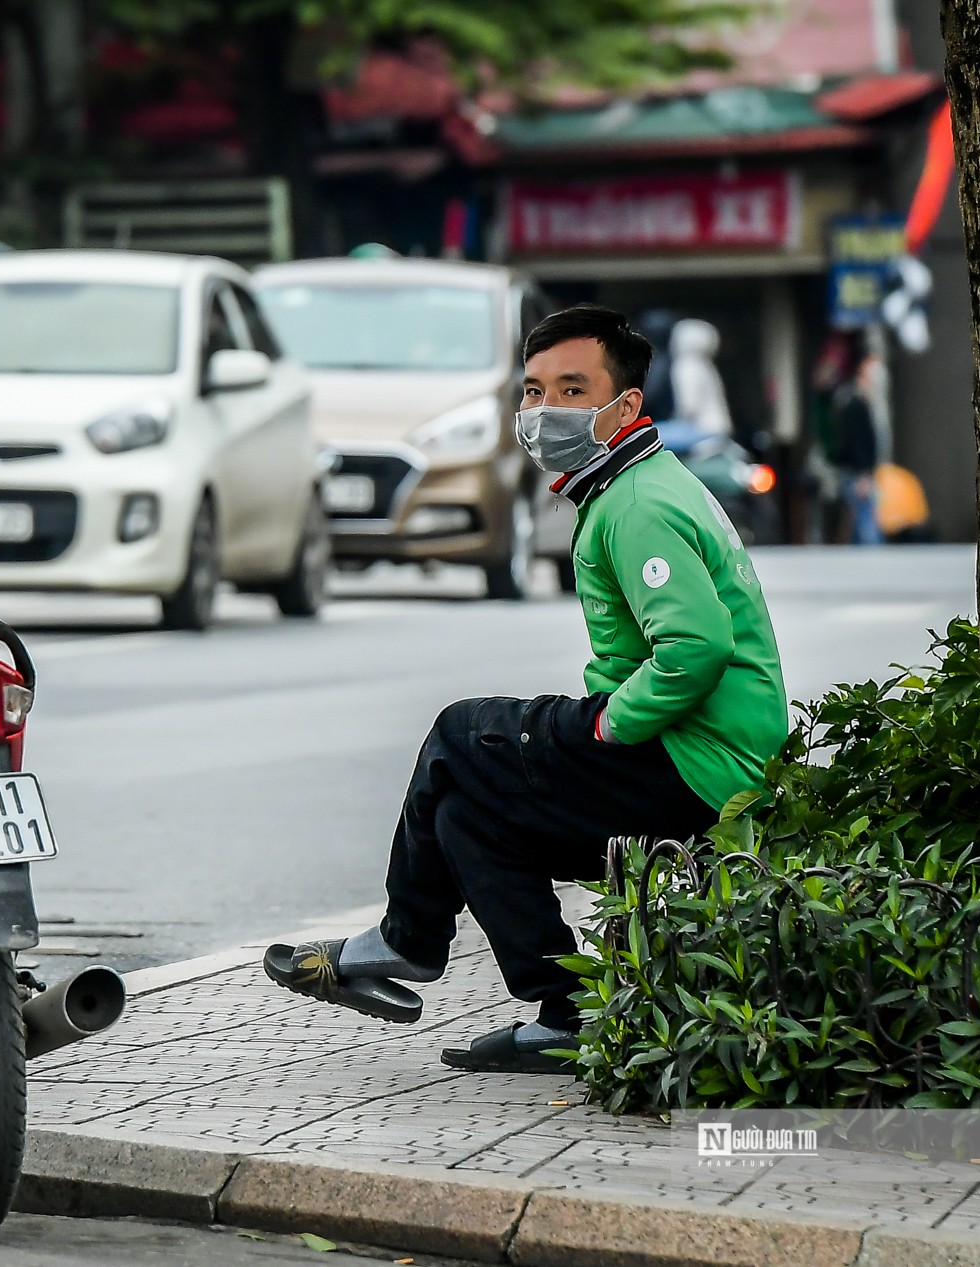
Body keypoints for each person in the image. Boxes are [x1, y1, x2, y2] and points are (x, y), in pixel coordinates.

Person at [264, 305, 789, 1073]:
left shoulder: (638, 504)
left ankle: (407, 941)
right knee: (462, 811)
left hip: (691, 760)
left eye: (573, 390)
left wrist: (609, 724)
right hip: (693, 756)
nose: (545, 411)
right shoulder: (632, 484)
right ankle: (565, 1010)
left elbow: (696, 650)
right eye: (534, 391)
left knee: (458, 734)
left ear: (625, 408)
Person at [831, 354, 884, 546]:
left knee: (860, 520)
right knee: (866, 522)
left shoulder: (860, 401)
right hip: (858, 472)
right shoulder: (855, 404)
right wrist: (862, 473)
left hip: (860, 471)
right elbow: (856, 441)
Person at [668, 318, 732, 439]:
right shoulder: (705, 365)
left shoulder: (686, 366)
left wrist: (675, 423)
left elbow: (689, 406)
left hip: (701, 431)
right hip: (719, 428)